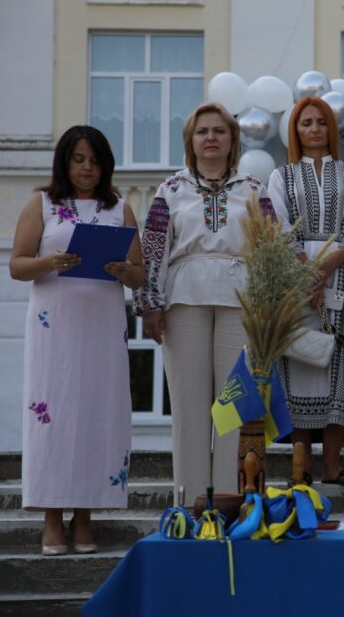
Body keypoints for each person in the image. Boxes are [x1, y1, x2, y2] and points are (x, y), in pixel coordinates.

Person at [135, 102, 279, 505]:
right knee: (188, 407)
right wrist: (150, 304)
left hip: (243, 302)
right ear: (190, 141)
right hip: (184, 299)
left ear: (233, 140)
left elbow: (272, 251)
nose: (211, 138)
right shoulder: (170, 190)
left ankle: (234, 503)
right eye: (203, 132)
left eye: (219, 131)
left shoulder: (255, 188)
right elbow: (153, 250)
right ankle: (190, 504)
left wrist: (270, 309)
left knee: (236, 406)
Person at [10, 125, 144, 555]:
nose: (87, 168)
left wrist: (123, 271)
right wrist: (50, 262)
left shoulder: (120, 208)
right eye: (79, 159)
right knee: (54, 414)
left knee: (98, 415)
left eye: (95, 160)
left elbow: (140, 274)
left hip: (103, 327)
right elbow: (17, 265)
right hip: (55, 327)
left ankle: (85, 517)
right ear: (64, 162)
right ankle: (51, 517)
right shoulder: (42, 203)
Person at [267, 96, 344, 486]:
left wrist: (323, 268)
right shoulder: (282, 176)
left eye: (321, 122)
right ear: (294, 130)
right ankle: (301, 469)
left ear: (332, 128)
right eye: (306, 123)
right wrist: (306, 272)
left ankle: (333, 466)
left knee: (339, 366)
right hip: (293, 281)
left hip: (343, 275)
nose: (314, 129)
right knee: (297, 362)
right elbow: (279, 227)